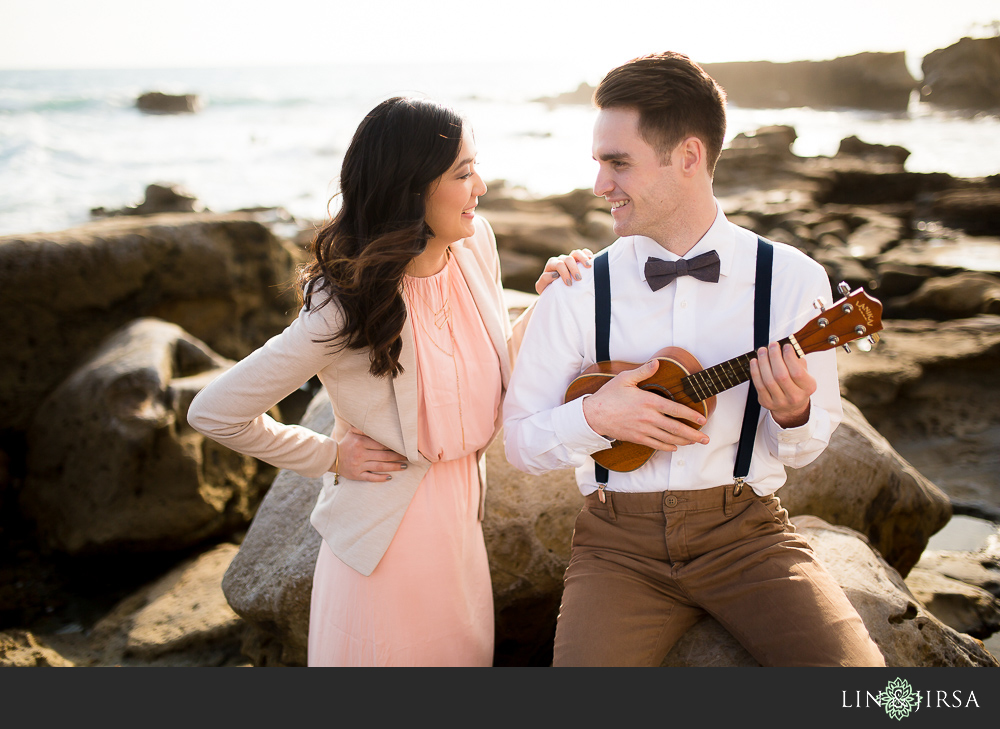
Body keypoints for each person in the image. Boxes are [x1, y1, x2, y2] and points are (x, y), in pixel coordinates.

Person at [502, 52, 886, 667]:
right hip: (614, 547)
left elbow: (810, 442)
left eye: (617, 163)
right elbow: (519, 442)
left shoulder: (789, 279)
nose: (600, 186)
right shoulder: (576, 288)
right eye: (598, 163)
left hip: (747, 537)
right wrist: (596, 417)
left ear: (687, 156)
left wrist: (792, 412)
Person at [187, 96, 591, 667]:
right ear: (412, 188)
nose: (481, 185)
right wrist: (329, 455)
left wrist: (544, 307)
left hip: (461, 525)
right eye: (464, 172)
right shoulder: (342, 305)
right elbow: (213, 412)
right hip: (385, 546)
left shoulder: (475, 245)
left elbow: (487, 369)